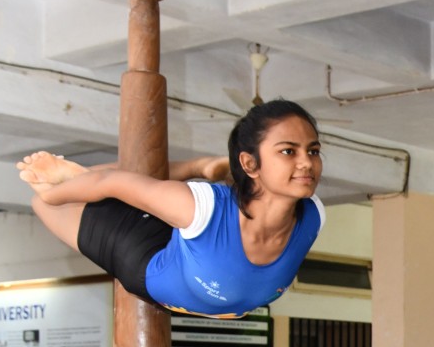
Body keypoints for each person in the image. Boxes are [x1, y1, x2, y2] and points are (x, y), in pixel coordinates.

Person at [19, 100, 325, 319]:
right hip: (147, 256)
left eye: (313, 151)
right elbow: (111, 182)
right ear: (249, 163)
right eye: (288, 151)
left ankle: (200, 167)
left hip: (193, 249)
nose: (307, 162)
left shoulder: (314, 216)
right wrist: (53, 195)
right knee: (44, 202)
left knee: (150, 197)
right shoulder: (202, 207)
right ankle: (76, 177)